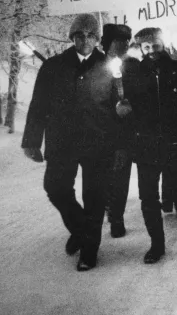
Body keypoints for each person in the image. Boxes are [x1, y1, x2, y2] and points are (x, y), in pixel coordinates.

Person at [22, 14, 126, 271]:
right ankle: (81, 230)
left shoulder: (110, 66)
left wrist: (122, 141)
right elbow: (38, 105)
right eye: (79, 35)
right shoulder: (54, 66)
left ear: (98, 38)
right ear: (71, 37)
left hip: (98, 142)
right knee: (55, 188)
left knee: (95, 197)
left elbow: (119, 109)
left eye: (91, 35)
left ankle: (90, 250)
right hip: (62, 141)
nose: (85, 40)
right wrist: (31, 141)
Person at [126, 27, 177, 264]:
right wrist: (124, 109)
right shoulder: (133, 73)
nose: (151, 50)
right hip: (147, 143)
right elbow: (128, 104)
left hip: (175, 139)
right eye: (146, 47)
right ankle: (156, 244)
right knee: (148, 197)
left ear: (163, 44)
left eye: (155, 45)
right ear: (140, 48)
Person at [100, 24, 136, 239]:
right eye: (118, 40)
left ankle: (117, 218)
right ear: (108, 43)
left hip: (124, 133)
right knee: (103, 178)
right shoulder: (95, 65)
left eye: (126, 41)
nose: (123, 44)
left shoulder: (133, 66)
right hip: (101, 131)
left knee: (121, 176)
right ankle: (106, 207)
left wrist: (130, 105)